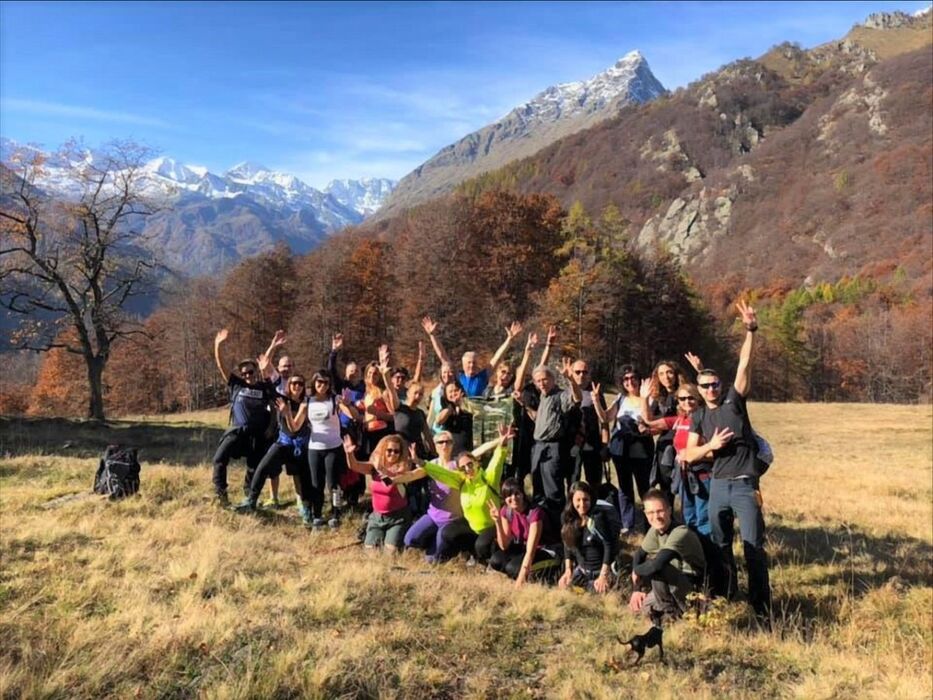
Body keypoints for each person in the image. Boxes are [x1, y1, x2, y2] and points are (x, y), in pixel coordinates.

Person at [680, 300, 772, 618]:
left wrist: (750, 329)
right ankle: (726, 593)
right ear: (699, 389)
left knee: (752, 546)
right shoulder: (699, 417)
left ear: (721, 385)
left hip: (745, 484)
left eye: (714, 384)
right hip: (718, 485)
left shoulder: (734, 402)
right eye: (704, 385)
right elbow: (688, 454)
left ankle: (760, 605)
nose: (710, 389)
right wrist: (711, 447)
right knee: (720, 546)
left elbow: (744, 365)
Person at [413, 426, 515, 564]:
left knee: (481, 546)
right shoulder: (462, 481)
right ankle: (468, 553)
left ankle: (488, 559)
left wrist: (502, 445)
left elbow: (497, 462)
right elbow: (442, 473)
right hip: (472, 528)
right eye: (463, 468)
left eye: (470, 464)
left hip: (491, 527)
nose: (467, 469)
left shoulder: (489, 478)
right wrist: (421, 463)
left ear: (476, 463)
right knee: (448, 533)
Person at [235, 374, 315, 525]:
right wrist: (266, 370)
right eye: (293, 383)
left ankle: (306, 511)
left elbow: (294, 427)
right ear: (289, 386)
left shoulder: (305, 404)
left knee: (303, 479)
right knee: (262, 467)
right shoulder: (282, 400)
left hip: (299, 446)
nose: (297, 386)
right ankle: (251, 500)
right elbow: (270, 388)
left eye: (300, 383)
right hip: (282, 443)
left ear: (304, 386)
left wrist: (286, 413)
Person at [210, 329, 277, 506]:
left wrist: (271, 427)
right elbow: (221, 366)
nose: (248, 375)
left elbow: (274, 407)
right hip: (237, 430)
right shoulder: (236, 385)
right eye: (245, 373)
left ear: (256, 372)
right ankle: (220, 494)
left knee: (253, 466)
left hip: (258, 434)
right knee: (219, 459)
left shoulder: (264, 387)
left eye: (251, 372)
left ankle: (249, 498)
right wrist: (218, 346)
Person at [640, 382, 712, 535]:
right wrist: (644, 399)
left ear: (698, 398)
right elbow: (649, 420)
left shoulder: (707, 419)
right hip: (684, 476)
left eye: (691, 397)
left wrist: (691, 455)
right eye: (682, 398)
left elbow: (715, 449)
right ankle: (692, 552)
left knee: (704, 518)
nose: (686, 402)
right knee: (689, 517)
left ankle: (707, 553)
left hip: (702, 475)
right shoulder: (680, 420)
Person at [629, 489, 706, 620]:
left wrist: (637, 571)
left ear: (669, 510)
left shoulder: (680, 532)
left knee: (657, 567)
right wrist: (637, 589)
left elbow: (658, 565)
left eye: (660, 511)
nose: (656, 516)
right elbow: (639, 555)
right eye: (651, 512)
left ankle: (673, 614)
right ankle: (666, 611)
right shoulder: (655, 530)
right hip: (670, 583)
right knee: (638, 610)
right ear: (646, 514)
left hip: (691, 585)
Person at [594, 366, 653, 534]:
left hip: (641, 449)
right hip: (620, 449)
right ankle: (628, 524)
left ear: (639, 378)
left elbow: (648, 419)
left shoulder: (648, 398)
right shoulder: (621, 398)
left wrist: (644, 397)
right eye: (625, 379)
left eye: (633, 377)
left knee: (644, 487)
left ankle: (650, 522)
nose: (629, 382)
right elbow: (605, 417)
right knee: (624, 487)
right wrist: (597, 401)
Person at [529, 358, 583, 521]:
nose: (542, 383)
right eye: (538, 381)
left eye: (545, 379)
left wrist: (571, 379)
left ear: (552, 379)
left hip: (553, 447)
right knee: (538, 487)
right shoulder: (543, 397)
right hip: (538, 447)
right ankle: (540, 523)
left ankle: (557, 523)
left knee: (552, 489)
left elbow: (577, 398)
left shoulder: (560, 395)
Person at [343, 433, 415, 553]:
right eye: (389, 450)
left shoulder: (403, 469)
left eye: (396, 451)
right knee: (371, 553)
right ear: (383, 450)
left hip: (398, 518)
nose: (392, 454)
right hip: (377, 517)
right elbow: (354, 466)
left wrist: (380, 469)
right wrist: (349, 454)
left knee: (390, 554)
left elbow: (390, 481)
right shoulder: (373, 468)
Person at [306, 370, 359, 528]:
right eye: (319, 382)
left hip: (333, 447)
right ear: (314, 383)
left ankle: (336, 513)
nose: (322, 385)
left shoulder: (335, 400)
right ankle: (317, 515)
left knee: (333, 483)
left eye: (326, 383)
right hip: (314, 447)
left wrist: (347, 404)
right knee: (316, 483)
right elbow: (296, 423)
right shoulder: (308, 401)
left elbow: (353, 415)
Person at [421, 316, 523, 397]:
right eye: (469, 363)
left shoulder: (483, 376)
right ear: (463, 364)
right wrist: (432, 335)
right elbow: (443, 356)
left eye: (474, 362)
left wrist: (509, 340)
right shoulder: (458, 376)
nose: (472, 365)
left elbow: (497, 358)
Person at [402, 430, 464, 562]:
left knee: (432, 560)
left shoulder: (458, 465)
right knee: (409, 539)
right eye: (440, 442)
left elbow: (477, 454)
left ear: (453, 444)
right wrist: (391, 478)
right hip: (433, 515)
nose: (444, 445)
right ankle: (432, 537)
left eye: (448, 442)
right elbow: (412, 475)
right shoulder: (431, 465)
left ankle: (446, 545)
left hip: (451, 520)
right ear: (435, 446)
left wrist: (499, 443)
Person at [488, 477, 561, 587]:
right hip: (524, 548)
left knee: (512, 568)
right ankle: (519, 572)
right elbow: (504, 546)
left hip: (545, 550)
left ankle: (549, 574)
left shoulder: (535, 513)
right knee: (496, 560)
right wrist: (498, 521)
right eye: (509, 495)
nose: (514, 498)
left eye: (517, 493)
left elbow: (530, 552)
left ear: (523, 494)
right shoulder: (506, 511)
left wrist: (520, 579)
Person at [558, 481, 614, 594]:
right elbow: (567, 543)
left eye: (585, 500)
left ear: (591, 499)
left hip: (599, 571)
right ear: (571, 500)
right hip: (582, 571)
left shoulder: (597, 518)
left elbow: (609, 545)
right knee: (564, 587)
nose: (582, 504)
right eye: (578, 500)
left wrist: (603, 576)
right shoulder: (567, 518)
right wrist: (568, 570)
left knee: (596, 592)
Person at [357, 345, 397, 459]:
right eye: (369, 373)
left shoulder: (383, 392)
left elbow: (394, 416)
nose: (372, 376)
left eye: (375, 373)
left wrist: (377, 413)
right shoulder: (366, 392)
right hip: (368, 433)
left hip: (382, 433)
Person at [434, 380, 473, 454]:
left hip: (467, 450)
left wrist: (461, 403)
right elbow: (439, 420)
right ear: (446, 395)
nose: (453, 393)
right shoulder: (446, 408)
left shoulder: (469, 404)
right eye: (450, 392)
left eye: (456, 390)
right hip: (450, 451)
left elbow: (472, 412)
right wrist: (452, 406)